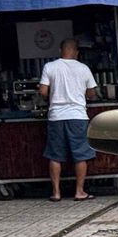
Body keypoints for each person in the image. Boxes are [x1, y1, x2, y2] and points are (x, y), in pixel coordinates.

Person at [39, 38, 98, 200]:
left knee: (55, 155)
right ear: (76, 52)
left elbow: (43, 91)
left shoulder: (49, 67)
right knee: (81, 155)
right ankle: (79, 192)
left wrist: (51, 98)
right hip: (78, 116)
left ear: (60, 50)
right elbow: (92, 93)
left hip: (56, 116)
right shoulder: (84, 68)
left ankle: (56, 192)